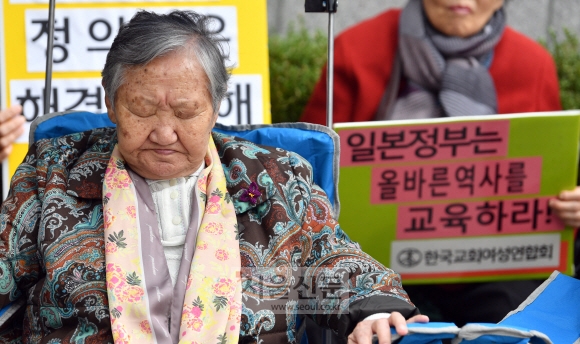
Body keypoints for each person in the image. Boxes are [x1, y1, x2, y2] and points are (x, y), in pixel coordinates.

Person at [0, 10, 428, 343]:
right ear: (111, 103)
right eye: (142, 109)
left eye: (186, 112)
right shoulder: (53, 171)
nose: (164, 133)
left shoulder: (275, 177)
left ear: (216, 107)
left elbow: (332, 260)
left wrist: (371, 311)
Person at [300, 0, 565, 326]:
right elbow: (310, 169)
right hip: (375, 258)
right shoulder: (356, 48)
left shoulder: (532, 64)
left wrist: (569, 204)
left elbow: (546, 176)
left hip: (491, 263)